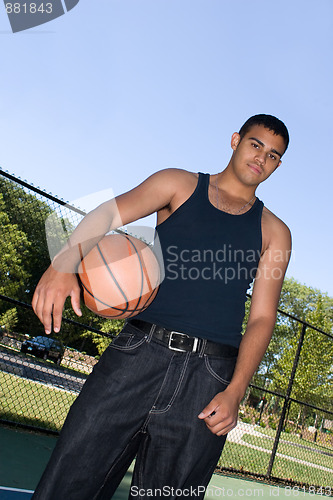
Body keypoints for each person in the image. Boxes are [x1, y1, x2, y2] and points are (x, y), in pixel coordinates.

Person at [31, 114, 291, 499]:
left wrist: (236, 391)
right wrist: (63, 263)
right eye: (256, 145)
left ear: (277, 165)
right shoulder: (178, 184)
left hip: (210, 378)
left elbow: (263, 317)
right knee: (68, 483)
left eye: (273, 155)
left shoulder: (275, 232)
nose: (261, 158)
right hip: (138, 353)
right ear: (236, 140)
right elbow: (107, 214)